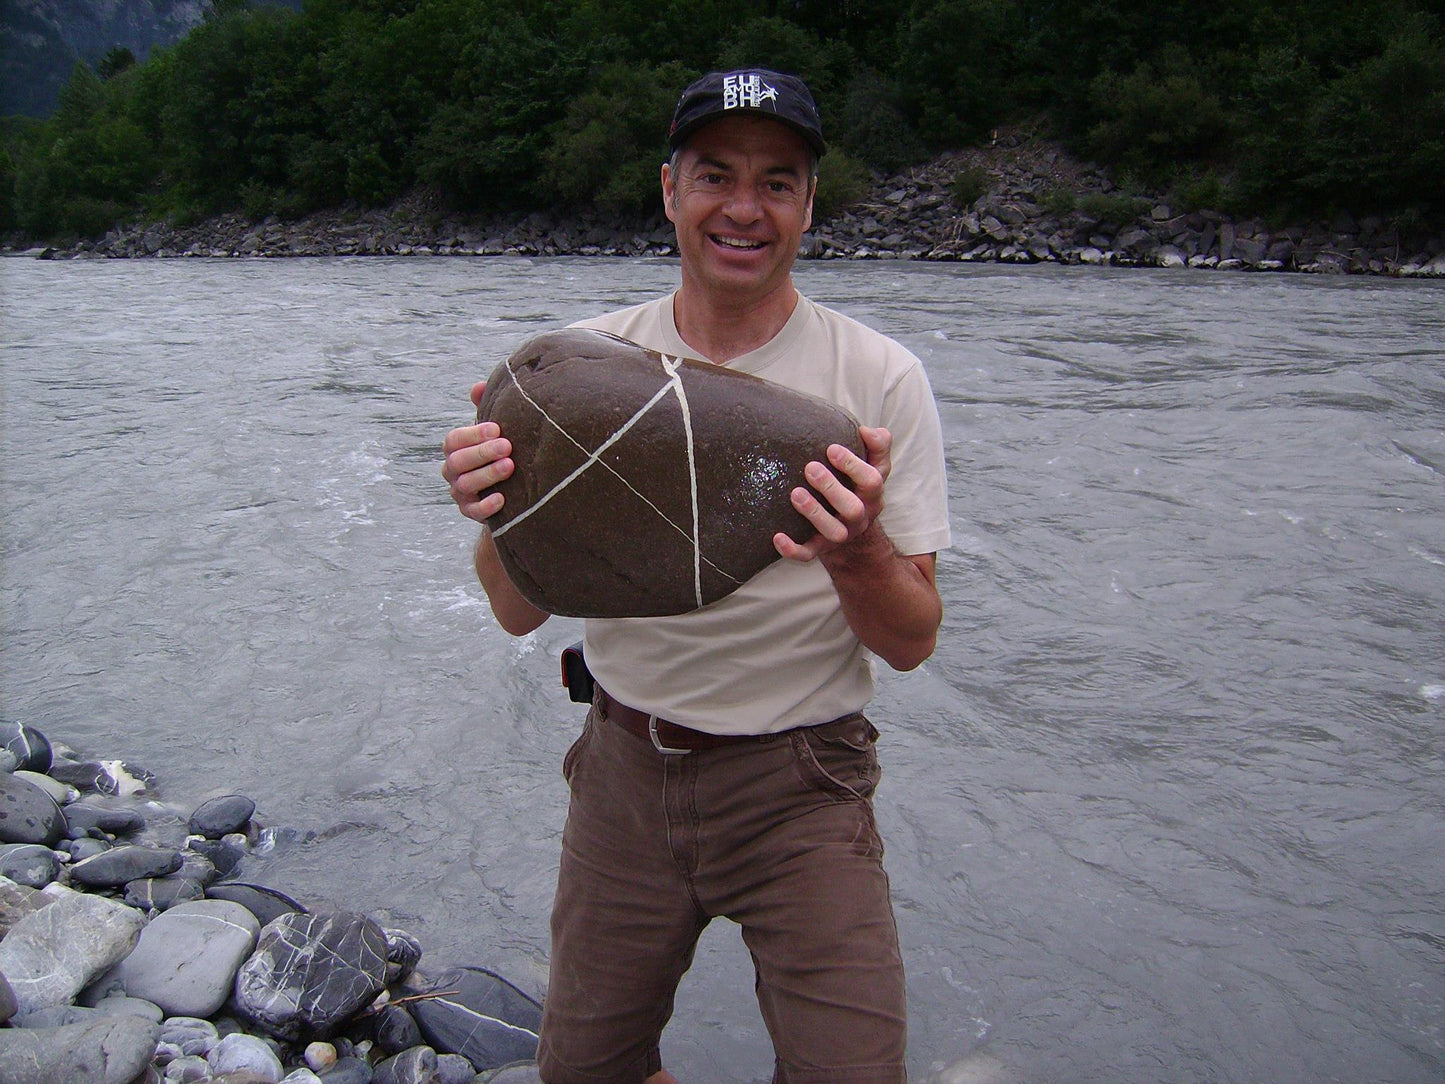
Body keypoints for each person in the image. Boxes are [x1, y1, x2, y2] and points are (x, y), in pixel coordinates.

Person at [442, 68, 951, 1084]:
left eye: (776, 181)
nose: (742, 208)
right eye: (715, 175)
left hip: (802, 785)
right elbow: (511, 610)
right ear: (669, 188)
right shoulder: (583, 371)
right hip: (625, 772)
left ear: (808, 205)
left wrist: (856, 554)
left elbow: (908, 639)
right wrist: (501, 509)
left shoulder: (877, 380)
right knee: (584, 1070)